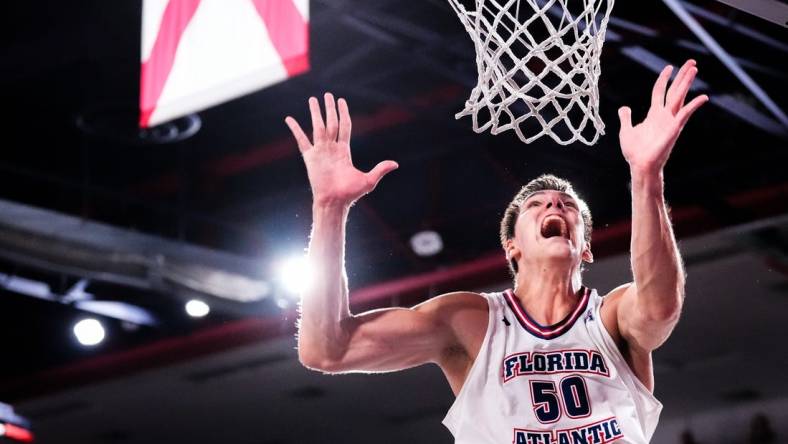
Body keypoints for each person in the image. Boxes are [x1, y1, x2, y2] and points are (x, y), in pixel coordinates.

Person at [285, 60, 708, 443]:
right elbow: (326, 350)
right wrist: (329, 209)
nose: (555, 205)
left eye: (569, 207)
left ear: (586, 250)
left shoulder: (613, 316)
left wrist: (646, 175)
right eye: (536, 204)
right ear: (512, 246)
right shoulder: (468, 321)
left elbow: (660, 306)